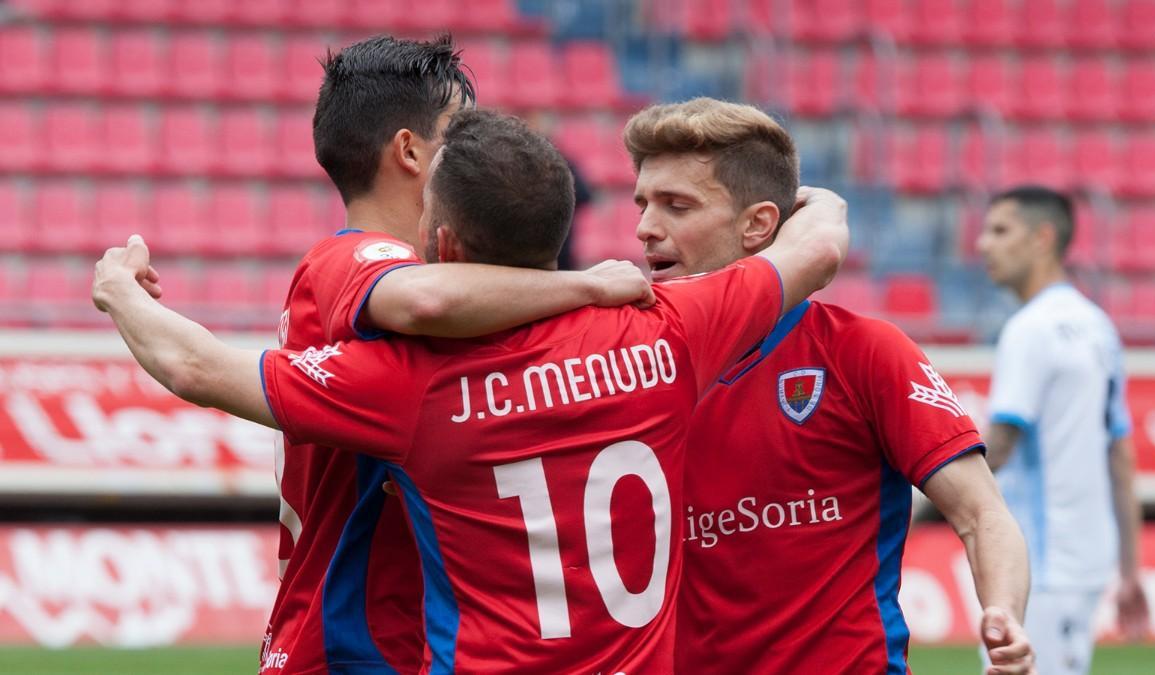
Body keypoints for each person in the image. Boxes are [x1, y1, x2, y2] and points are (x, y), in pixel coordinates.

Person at [91, 109, 849, 672]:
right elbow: (820, 243)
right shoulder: (669, 329)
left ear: (443, 246)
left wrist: (121, 289)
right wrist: (792, 190)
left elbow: (196, 368)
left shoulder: (413, 382)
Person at [244, 34, 657, 673]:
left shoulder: (394, 275)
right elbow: (422, 301)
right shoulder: (360, 258)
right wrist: (586, 285)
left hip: (370, 632)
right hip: (356, 639)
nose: (470, 145)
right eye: (455, 128)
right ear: (409, 151)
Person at [621, 98, 1035, 675]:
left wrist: (1003, 614)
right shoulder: (629, 367)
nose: (645, 227)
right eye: (643, 203)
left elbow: (982, 513)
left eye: (677, 205)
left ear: (758, 224)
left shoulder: (862, 352)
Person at [977, 186, 1148, 674]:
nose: (983, 244)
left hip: (1038, 563)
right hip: (1085, 561)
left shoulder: (1030, 329)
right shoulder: (1098, 326)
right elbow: (1120, 453)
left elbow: (1001, 444)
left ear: (1042, 238)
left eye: (1000, 230)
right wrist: (1130, 571)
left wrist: (921, 497)